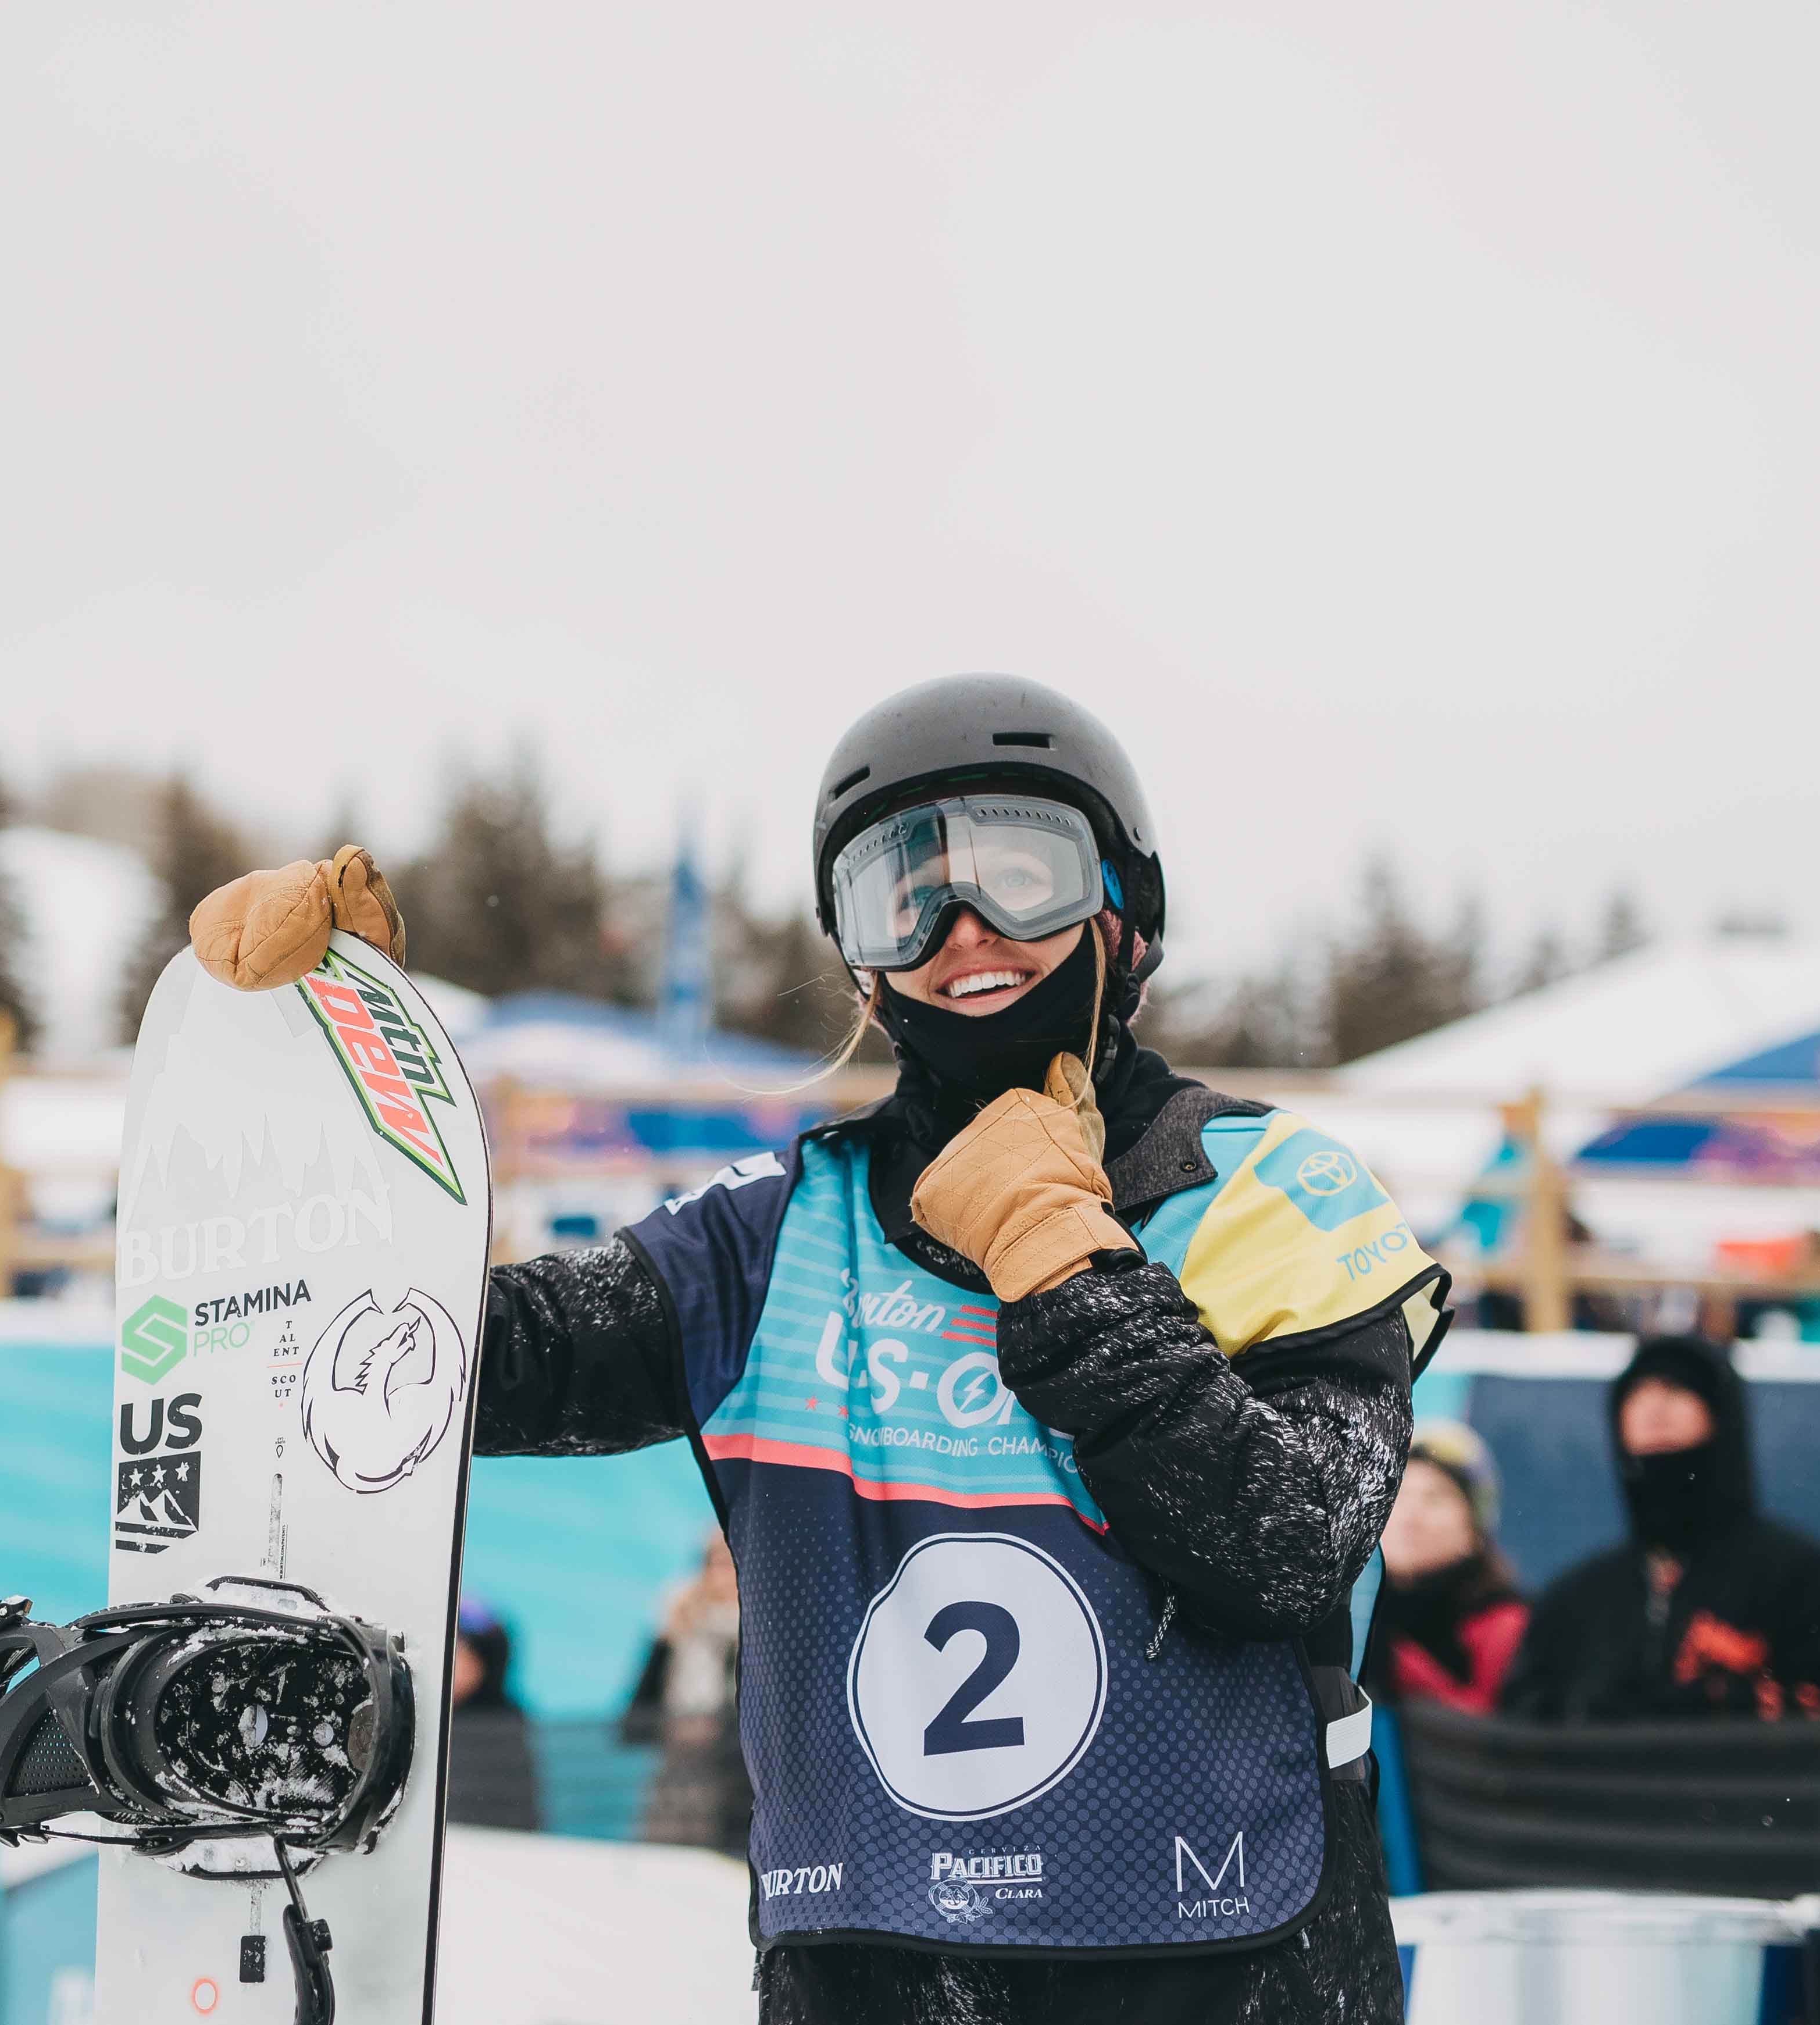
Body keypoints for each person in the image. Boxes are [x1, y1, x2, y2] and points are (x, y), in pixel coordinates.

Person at [190, 676, 1450, 2024]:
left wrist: (1063, 1263)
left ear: (1121, 910)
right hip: (870, 1971)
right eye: (902, 892)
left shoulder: (1267, 1190)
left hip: (1228, 1968)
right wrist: (355, 1072)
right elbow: (472, 1363)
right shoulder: (776, 1235)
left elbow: (1283, 1547)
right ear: (859, 959)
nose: (964, 928)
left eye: (1020, 871)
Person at [1497, 1334, 1820, 1891]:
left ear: (1720, 1416)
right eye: (1638, 1392)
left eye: (1677, 1390)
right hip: (1597, 1892)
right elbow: (1517, 1733)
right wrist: (1588, 1729)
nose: (1655, 1406)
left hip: (1758, 1888)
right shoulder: (1576, 1596)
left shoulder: (1799, 1574)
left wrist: (1726, 1714)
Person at [1368, 1422, 1526, 1716]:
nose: (1409, 1516)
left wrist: (1394, 1663)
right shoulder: (1348, 1607)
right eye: (1398, 1494)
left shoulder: (1502, 1622)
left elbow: (1492, 1729)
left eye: (1434, 1498)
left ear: (1474, 1530)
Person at [624, 1529, 750, 1851]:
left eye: (731, 1563)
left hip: (738, 1777)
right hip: (679, 1768)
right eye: (716, 1563)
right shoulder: (678, 1626)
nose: (724, 1575)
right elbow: (639, 1708)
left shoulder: (763, 1632)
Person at [444, 1596, 543, 1833]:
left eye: (456, 1653)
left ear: (484, 1662)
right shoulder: (427, 1717)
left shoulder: (503, 1727)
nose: (446, 1665)